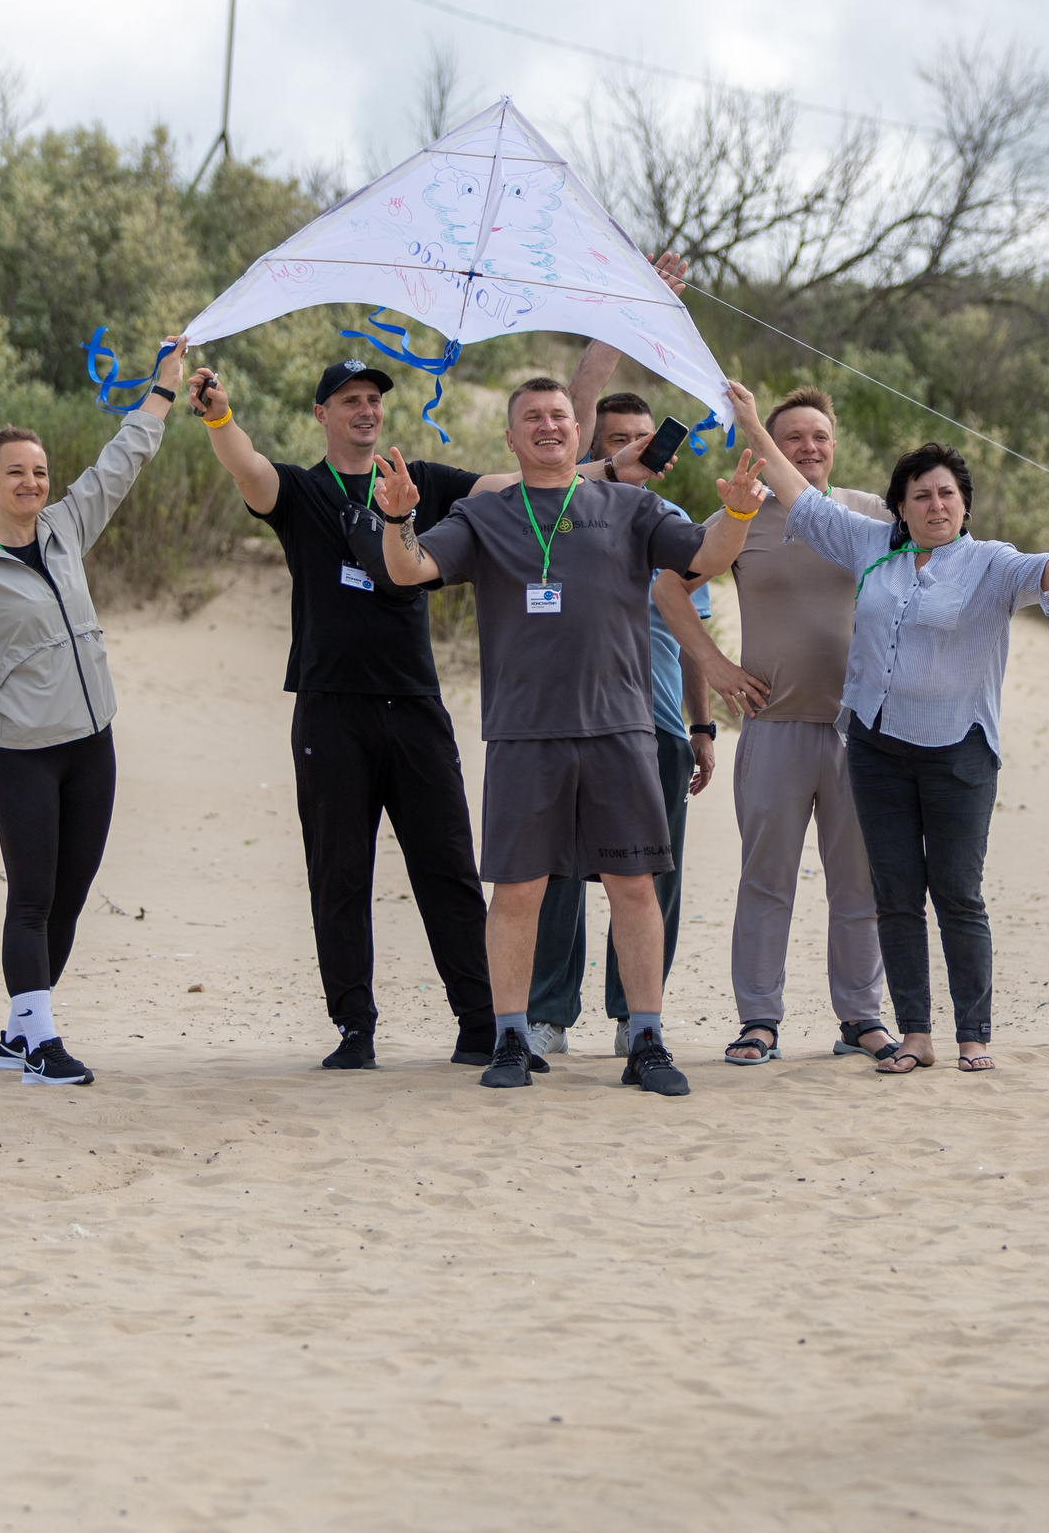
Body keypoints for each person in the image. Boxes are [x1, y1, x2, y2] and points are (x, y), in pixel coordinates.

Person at [181, 358, 663, 1070]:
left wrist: (612, 464)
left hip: (415, 703)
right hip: (330, 705)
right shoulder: (304, 491)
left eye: (374, 399)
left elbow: (521, 485)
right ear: (323, 414)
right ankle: (355, 1027)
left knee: (448, 866)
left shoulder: (423, 483)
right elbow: (246, 467)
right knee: (339, 872)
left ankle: (482, 1025)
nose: (366, 410)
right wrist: (218, 414)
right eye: (350, 400)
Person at [373, 377, 764, 1094]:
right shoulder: (482, 514)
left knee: (634, 885)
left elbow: (704, 558)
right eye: (533, 418)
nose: (549, 426)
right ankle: (512, 1040)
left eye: (559, 416)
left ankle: (645, 1038)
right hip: (525, 736)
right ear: (513, 438)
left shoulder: (632, 505)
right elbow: (410, 569)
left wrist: (737, 509)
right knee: (518, 891)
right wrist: (397, 519)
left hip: (620, 729)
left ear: (578, 433)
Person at [722, 380, 1049, 1076]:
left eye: (947, 494)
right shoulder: (873, 542)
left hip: (956, 750)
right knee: (880, 890)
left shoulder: (988, 560)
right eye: (922, 495)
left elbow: (1039, 572)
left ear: (964, 503)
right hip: (868, 744)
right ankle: (884, 1030)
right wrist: (751, 423)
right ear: (901, 507)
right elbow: (798, 495)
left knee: (947, 892)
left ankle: (951, 1031)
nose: (935, 504)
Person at [0, 337, 188, 1086]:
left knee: (69, 898)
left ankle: (16, 1032)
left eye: (38, 471)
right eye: (15, 473)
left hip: (93, 745)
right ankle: (40, 1044)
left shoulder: (66, 530)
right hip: (25, 754)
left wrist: (162, 391)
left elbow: (121, 460)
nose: (31, 482)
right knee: (31, 898)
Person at [666, 387, 889, 1065]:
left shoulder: (872, 514)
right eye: (792, 437)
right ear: (766, 444)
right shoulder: (741, 514)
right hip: (774, 726)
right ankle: (759, 1019)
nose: (808, 447)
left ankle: (861, 1017)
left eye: (819, 435)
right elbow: (669, 583)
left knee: (860, 881)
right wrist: (715, 663)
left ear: (835, 444)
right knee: (767, 879)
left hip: (862, 732)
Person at [522, 388, 720, 1058]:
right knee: (557, 873)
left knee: (650, 878)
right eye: (618, 439)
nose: (638, 448)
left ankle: (634, 1016)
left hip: (657, 724)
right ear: (591, 445)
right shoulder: (556, 515)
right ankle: (547, 1013)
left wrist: (702, 726)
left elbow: (692, 632)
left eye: (646, 437)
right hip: (566, 721)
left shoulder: (675, 520)